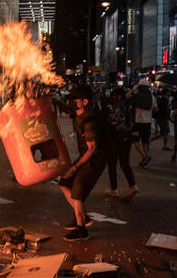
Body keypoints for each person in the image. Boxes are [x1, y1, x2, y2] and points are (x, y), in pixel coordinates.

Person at [59, 85, 112, 241]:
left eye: (75, 99)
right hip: (86, 156)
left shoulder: (90, 121)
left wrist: (75, 168)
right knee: (64, 183)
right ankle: (83, 216)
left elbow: (92, 149)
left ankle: (82, 230)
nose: (72, 102)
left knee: (77, 193)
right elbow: (66, 109)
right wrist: (53, 100)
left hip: (95, 159)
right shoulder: (77, 113)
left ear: (85, 101)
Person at [104, 88, 138, 200]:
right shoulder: (128, 107)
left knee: (112, 164)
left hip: (116, 139)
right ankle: (132, 186)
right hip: (127, 139)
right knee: (124, 163)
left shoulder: (115, 109)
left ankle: (114, 189)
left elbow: (111, 122)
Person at [126, 79, 156, 167]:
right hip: (148, 122)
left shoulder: (136, 96)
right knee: (145, 142)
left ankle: (145, 156)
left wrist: (132, 89)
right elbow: (155, 108)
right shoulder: (152, 97)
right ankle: (144, 161)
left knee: (135, 140)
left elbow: (127, 96)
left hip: (138, 122)